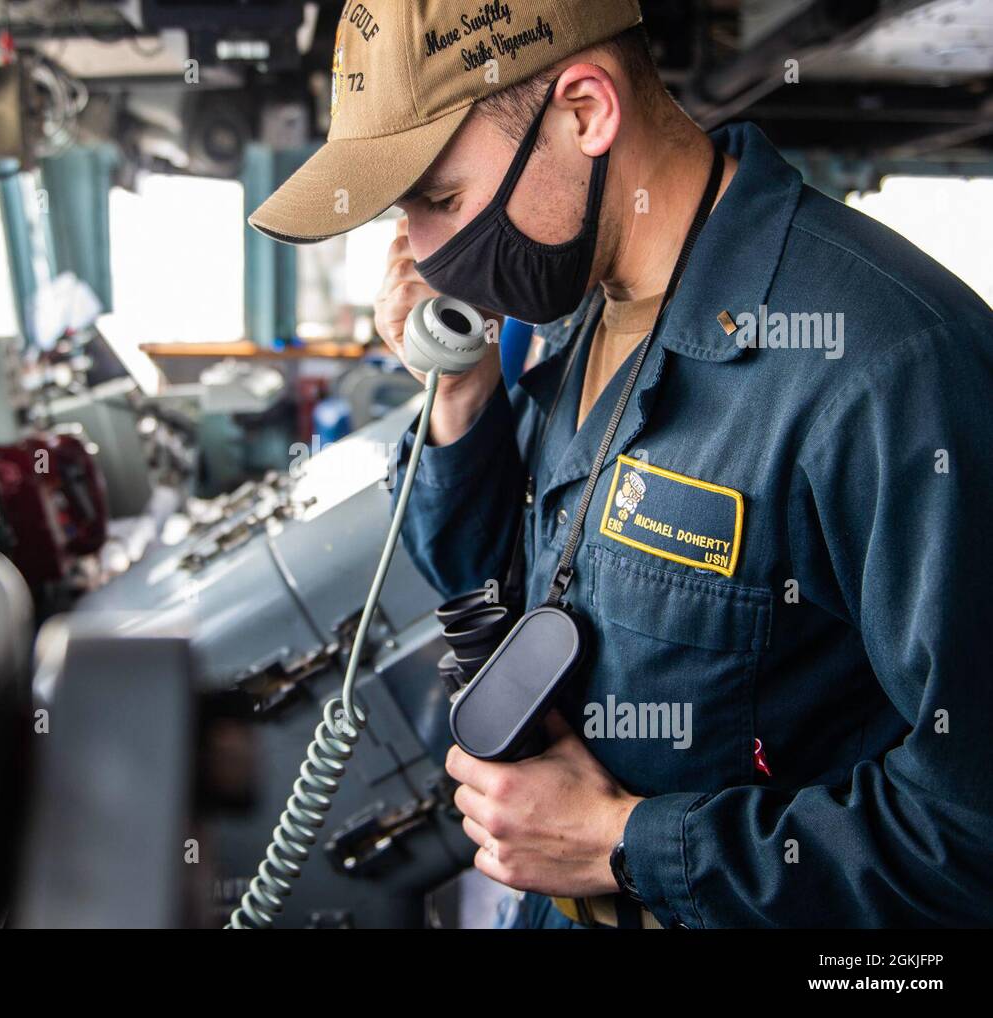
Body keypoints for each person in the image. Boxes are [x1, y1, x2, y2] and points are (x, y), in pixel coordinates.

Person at [248, 0, 993, 928]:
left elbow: (968, 835)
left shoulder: (892, 369)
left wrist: (624, 843)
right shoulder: (587, 302)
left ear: (586, 113)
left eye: (440, 200)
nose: (425, 258)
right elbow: (491, 591)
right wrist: (462, 396)